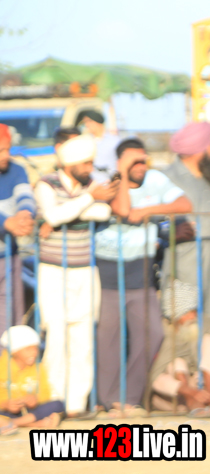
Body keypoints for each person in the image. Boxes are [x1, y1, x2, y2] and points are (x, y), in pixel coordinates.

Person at [93, 137, 192, 415]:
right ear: (120, 162)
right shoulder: (109, 182)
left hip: (142, 273)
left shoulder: (156, 180)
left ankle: (129, 398)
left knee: (152, 335)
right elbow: (124, 210)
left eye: (143, 160)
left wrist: (148, 210)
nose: (141, 165)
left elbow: (185, 204)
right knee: (109, 341)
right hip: (109, 273)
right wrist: (123, 175)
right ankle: (109, 401)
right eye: (134, 161)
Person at [33, 133, 116, 415]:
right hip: (53, 269)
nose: (90, 168)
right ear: (71, 164)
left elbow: (103, 212)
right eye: (86, 163)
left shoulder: (90, 184)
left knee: (83, 336)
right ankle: (54, 401)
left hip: (85, 269)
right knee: (56, 334)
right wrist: (88, 200)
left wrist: (69, 211)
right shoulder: (47, 184)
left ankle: (76, 405)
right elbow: (52, 215)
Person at [163, 121, 210, 337]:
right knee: (184, 335)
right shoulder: (168, 177)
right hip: (182, 266)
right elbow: (151, 217)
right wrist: (168, 232)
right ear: (198, 148)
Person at [148, 279, 210, 414]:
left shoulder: (204, 324)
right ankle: (193, 401)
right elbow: (156, 378)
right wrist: (190, 392)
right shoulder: (163, 332)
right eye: (187, 313)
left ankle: (209, 400)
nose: (192, 316)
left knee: (209, 341)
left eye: (194, 311)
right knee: (177, 363)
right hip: (173, 397)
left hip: (200, 383)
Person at [0, 124, 36, 328]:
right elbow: (7, 222)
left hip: (9, 258)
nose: (6, 155)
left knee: (11, 321)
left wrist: (25, 215)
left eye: (8, 149)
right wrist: (6, 222)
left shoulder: (17, 170)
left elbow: (25, 197)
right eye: (1, 150)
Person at [0, 325, 65, 434]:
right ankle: (36, 424)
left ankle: (13, 423)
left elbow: (45, 392)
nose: (34, 353)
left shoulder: (39, 367)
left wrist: (36, 399)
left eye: (35, 348)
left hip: (29, 411)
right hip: (6, 411)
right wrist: (5, 404)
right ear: (14, 351)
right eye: (28, 349)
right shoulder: (2, 366)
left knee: (58, 404)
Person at [74, 108, 120, 179]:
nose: (86, 125)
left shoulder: (114, 141)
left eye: (89, 121)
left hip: (110, 180)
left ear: (98, 121)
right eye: (85, 122)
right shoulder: (85, 141)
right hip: (91, 182)